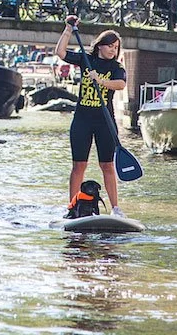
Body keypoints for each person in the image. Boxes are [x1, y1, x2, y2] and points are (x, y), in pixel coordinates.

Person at [55, 15, 127, 218]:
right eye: (110, 46)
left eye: (116, 47)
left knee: (107, 165)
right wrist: (68, 29)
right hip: (82, 120)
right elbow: (60, 52)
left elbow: (121, 85)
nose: (113, 50)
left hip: (105, 121)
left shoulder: (116, 68)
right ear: (100, 46)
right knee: (79, 165)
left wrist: (101, 81)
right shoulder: (86, 60)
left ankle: (115, 209)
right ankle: (72, 207)